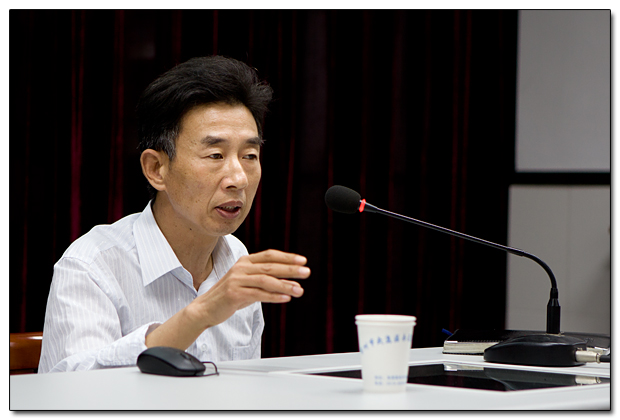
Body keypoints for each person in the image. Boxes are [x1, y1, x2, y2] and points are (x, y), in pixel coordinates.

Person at [38, 56, 310, 373]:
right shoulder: (92, 265)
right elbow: (73, 391)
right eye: (215, 155)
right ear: (157, 169)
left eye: (249, 155)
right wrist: (199, 314)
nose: (239, 178)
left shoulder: (237, 258)